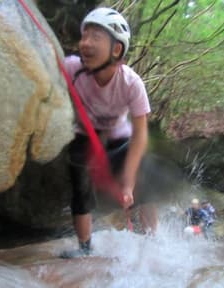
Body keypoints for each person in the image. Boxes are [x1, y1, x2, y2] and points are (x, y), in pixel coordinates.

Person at [61, 7, 153, 258]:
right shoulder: (71, 68)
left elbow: (141, 134)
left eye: (95, 38)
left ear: (116, 49)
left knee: (144, 181)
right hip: (84, 134)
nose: (85, 44)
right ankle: (84, 247)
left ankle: (153, 242)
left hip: (118, 137)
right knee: (80, 186)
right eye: (84, 36)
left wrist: (129, 181)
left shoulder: (131, 83)